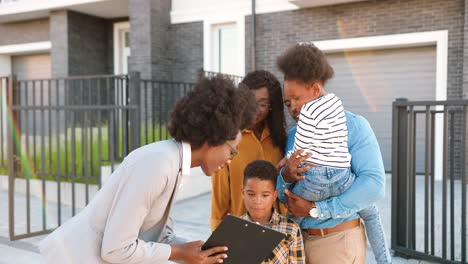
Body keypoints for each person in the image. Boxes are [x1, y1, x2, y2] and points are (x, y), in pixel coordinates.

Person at [39, 75, 256, 264]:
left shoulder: (174, 163)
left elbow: (158, 238)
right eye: (232, 151)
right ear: (214, 138)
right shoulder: (159, 164)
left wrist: (199, 251)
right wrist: (179, 252)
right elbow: (116, 249)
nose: (230, 160)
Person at [276, 43, 391, 264]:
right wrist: (285, 177)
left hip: (337, 242)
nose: (292, 108)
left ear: (316, 89)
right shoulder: (294, 135)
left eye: (297, 99)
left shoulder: (354, 125)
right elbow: (286, 196)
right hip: (299, 246)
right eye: (287, 103)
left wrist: (315, 210)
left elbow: (374, 185)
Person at [211, 70, 287, 231]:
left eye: (262, 103)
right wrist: (217, 237)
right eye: (250, 102)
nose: (254, 109)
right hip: (239, 232)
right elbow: (220, 199)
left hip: (277, 232)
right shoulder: (228, 140)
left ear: (272, 106)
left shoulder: (281, 141)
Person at [240, 160, 305, 264]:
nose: (257, 201)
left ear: (274, 195)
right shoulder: (235, 228)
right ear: (243, 193)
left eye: (265, 195)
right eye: (251, 194)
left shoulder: (291, 229)